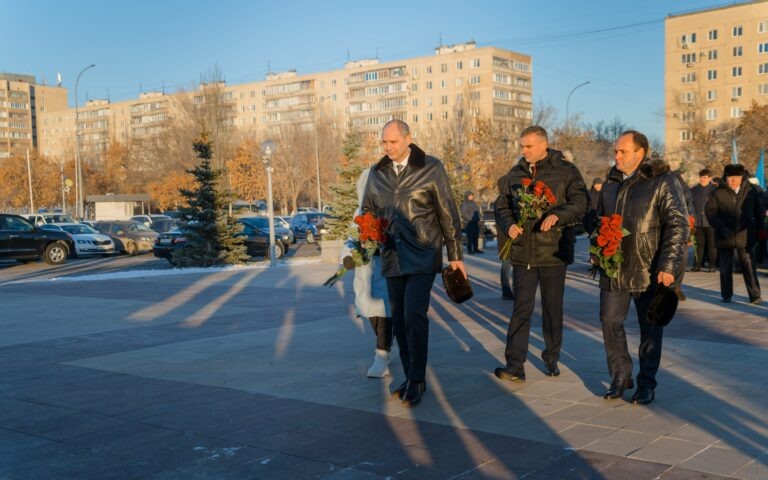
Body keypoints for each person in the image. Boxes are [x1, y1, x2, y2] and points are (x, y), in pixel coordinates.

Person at [361, 120, 465, 407]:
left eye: (393, 142)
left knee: (413, 316)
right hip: (392, 255)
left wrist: (456, 257)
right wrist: (369, 231)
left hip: (423, 253)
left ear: (408, 139)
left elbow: (448, 214)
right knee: (399, 320)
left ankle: (417, 380)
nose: (387, 147)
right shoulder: (377, 172)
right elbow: (368, 210)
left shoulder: (431, 168)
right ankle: (410, 376)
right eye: (384, 142)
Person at [595, 130, 688, 405]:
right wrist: (597, 247)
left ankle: (647, 383)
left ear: (640, 153)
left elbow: (678, 224)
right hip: (614, 267)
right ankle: (621, 375)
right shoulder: (610, 184)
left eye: (623, 151)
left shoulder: (662, 181)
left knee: (650, 329)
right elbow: (598, 220)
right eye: (615, 151)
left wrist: (668, 264)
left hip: (648, 269)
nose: (617, 156)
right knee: (609, 321)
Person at [493, 125, 588, 382]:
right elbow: (501, 204)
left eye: (529, 146)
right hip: (523, 253)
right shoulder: (515, 173)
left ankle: (551, 356)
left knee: (551, 309)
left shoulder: (566, 170)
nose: (524, 151)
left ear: (544, 145)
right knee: (520, 309)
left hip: (553, 253)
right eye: (522, 146)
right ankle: (514, 365)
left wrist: (558, 215)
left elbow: (580, 203)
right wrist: (508, 223)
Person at [340, 168, 396, 378]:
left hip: (386, 270)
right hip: (366, 271)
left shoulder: (391, 211)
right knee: (372, 315)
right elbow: (351, 238)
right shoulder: (359, 213)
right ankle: (388, 346)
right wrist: (348, 256)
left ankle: (381, 355)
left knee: (385, 314)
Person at [705, 164, 763, 304]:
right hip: (725, 234)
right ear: (726, 177)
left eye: (736, 178)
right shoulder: (718, 192)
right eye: (730, 178)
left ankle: (755, 295)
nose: (733, 181)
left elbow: (759, 211)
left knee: (749, 266)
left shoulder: (751, 191)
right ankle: (726, 294)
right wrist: (721, 227)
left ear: (742, 177)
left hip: (746, 234)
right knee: (725, 267)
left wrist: (761, 229)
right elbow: (710, 212)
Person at [689, 168, 717, 272]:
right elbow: (690, 205)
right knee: (699, 245)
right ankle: (697, 265)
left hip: (711, 223)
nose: (702, 179)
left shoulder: (715, 190)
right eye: (701, 177)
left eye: (705, 177)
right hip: (698, 222)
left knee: (712, 245)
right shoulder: (693, 190)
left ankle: (712, 265)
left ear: (710, 178)